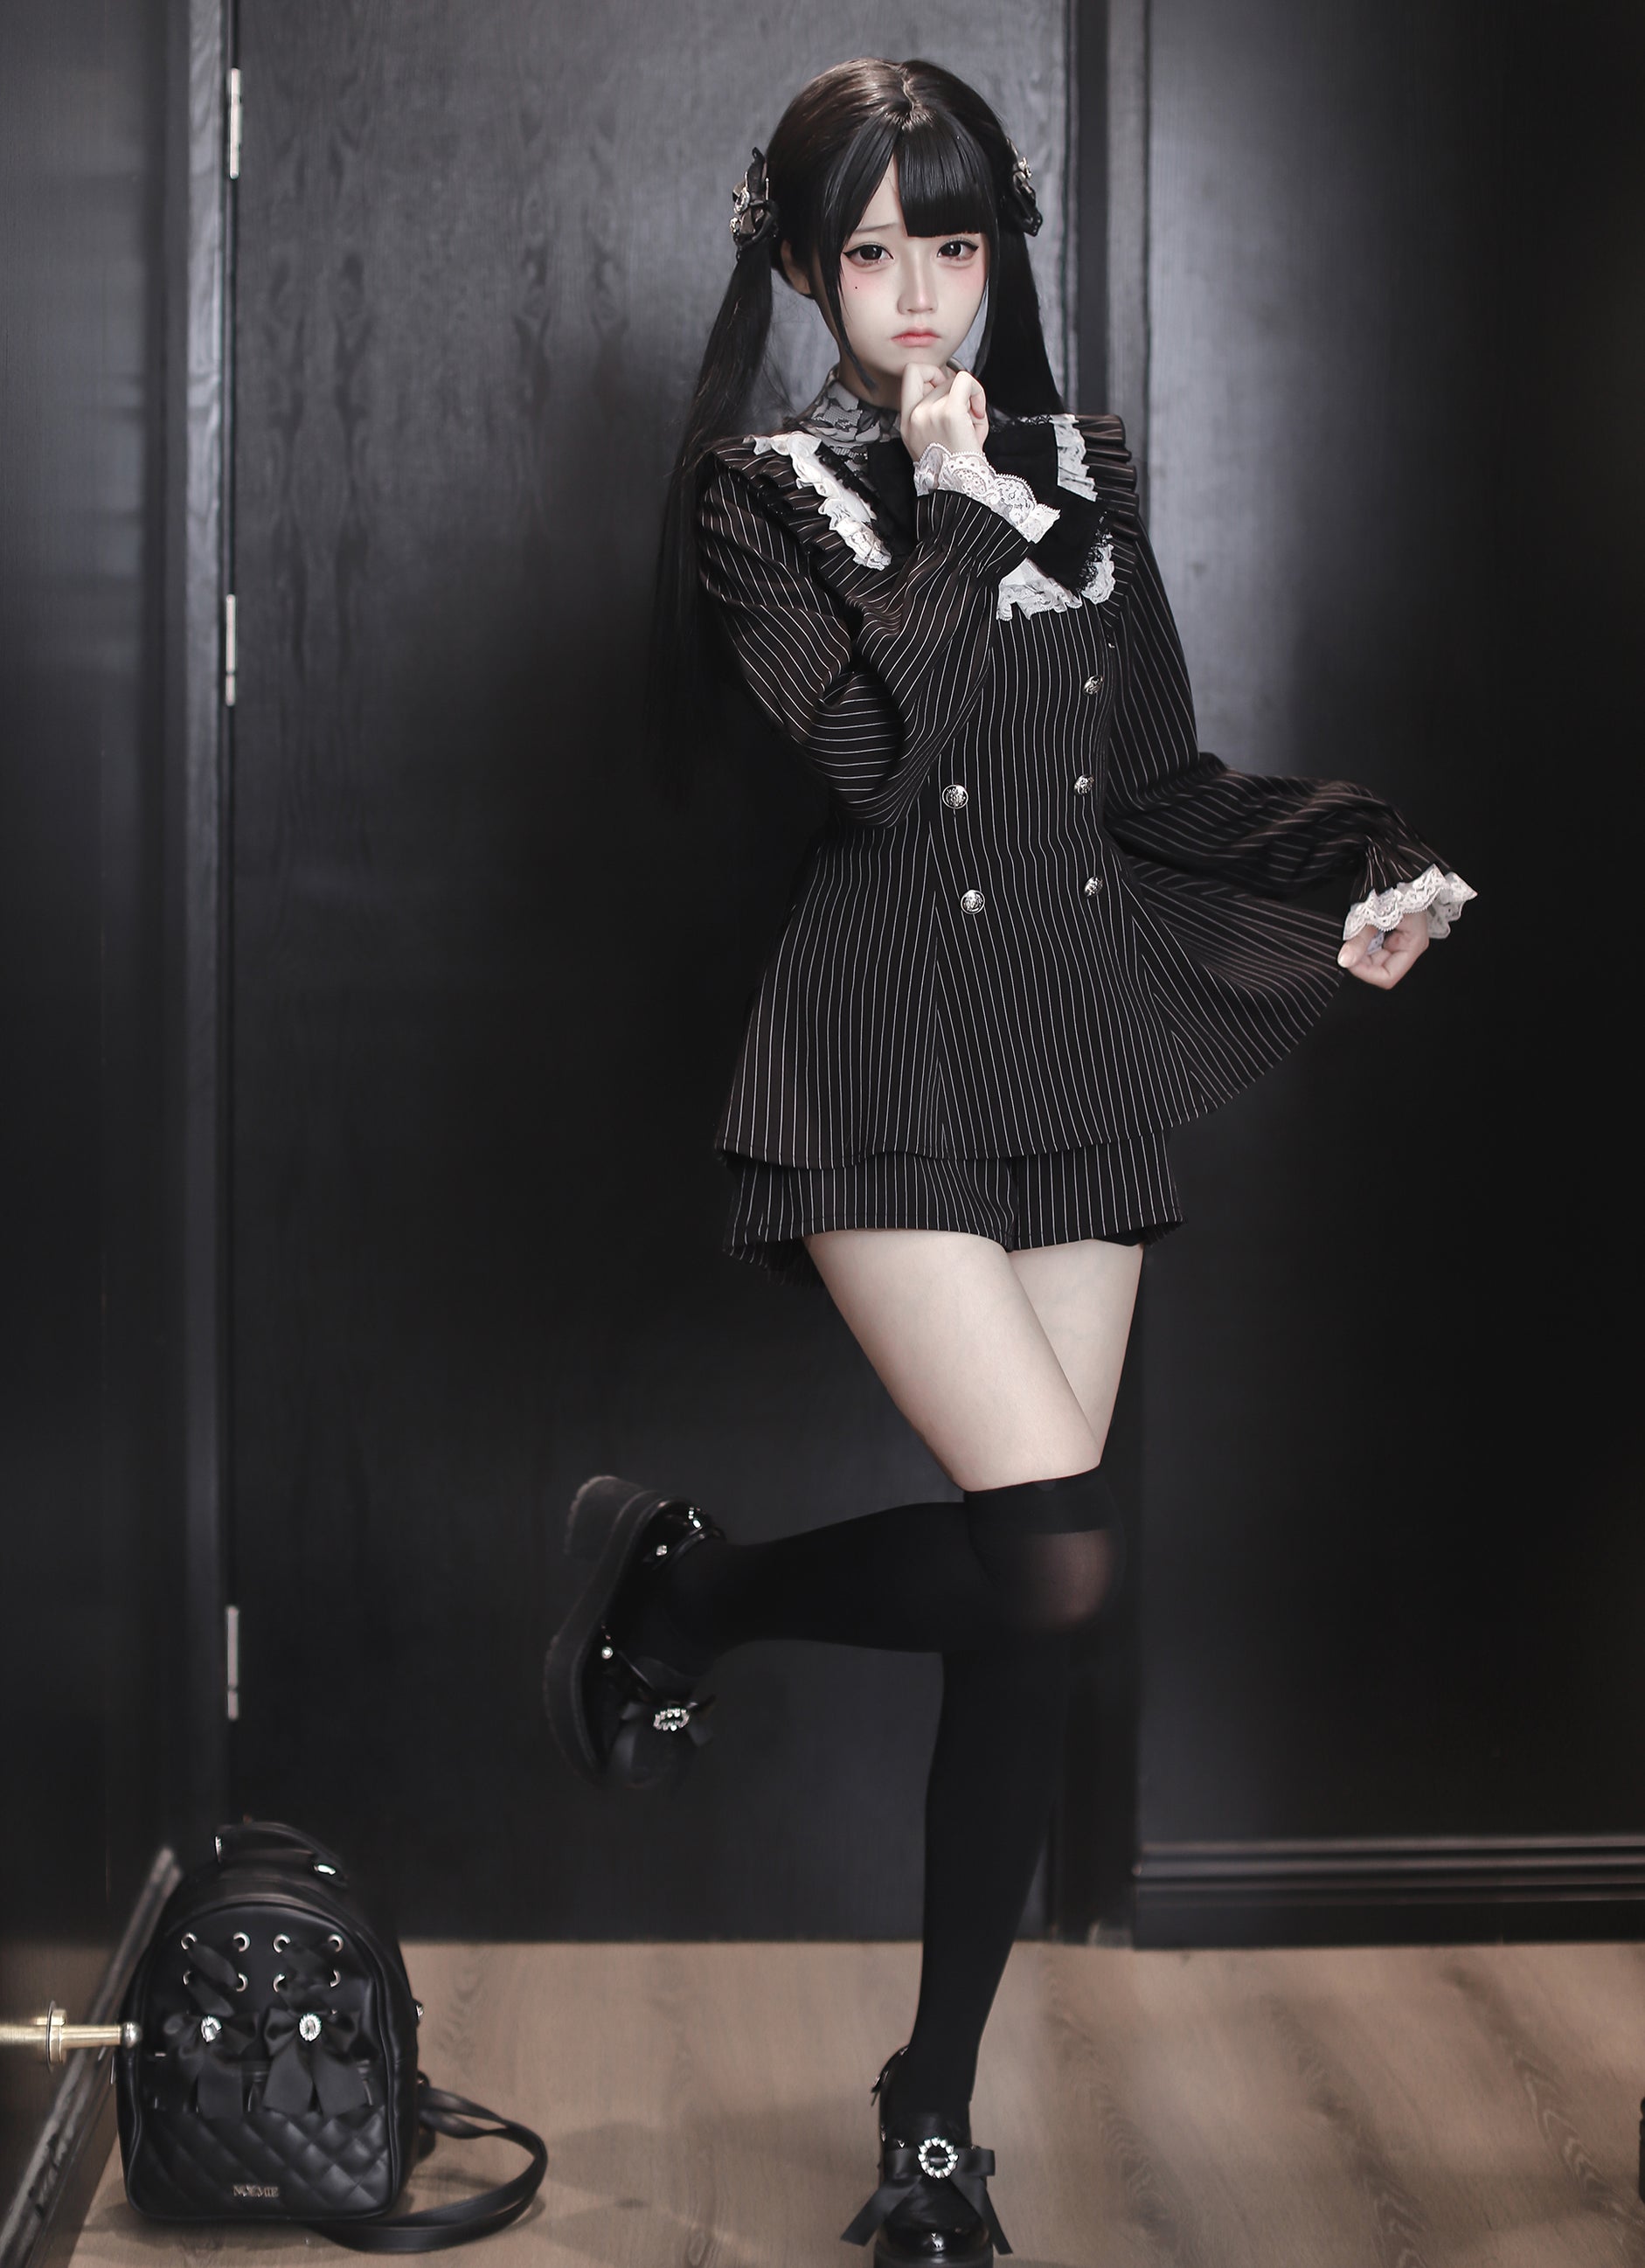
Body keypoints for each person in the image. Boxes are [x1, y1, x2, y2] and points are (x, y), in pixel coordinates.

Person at [545, 54, 1474, 2268]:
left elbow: (1148, 784)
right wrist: (954, 508)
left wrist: (1354, 859)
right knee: (1052, 1558)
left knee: (1028, 1604)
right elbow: (874, 770)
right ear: (799, 269)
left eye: (950, 247)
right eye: (869, 252)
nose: (917, 297)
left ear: (996, 253)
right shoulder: (759, 500)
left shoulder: (1088, 478)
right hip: (875, 1043)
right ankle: (689, 1592)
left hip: (1073, 1046)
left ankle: (932, 2121)